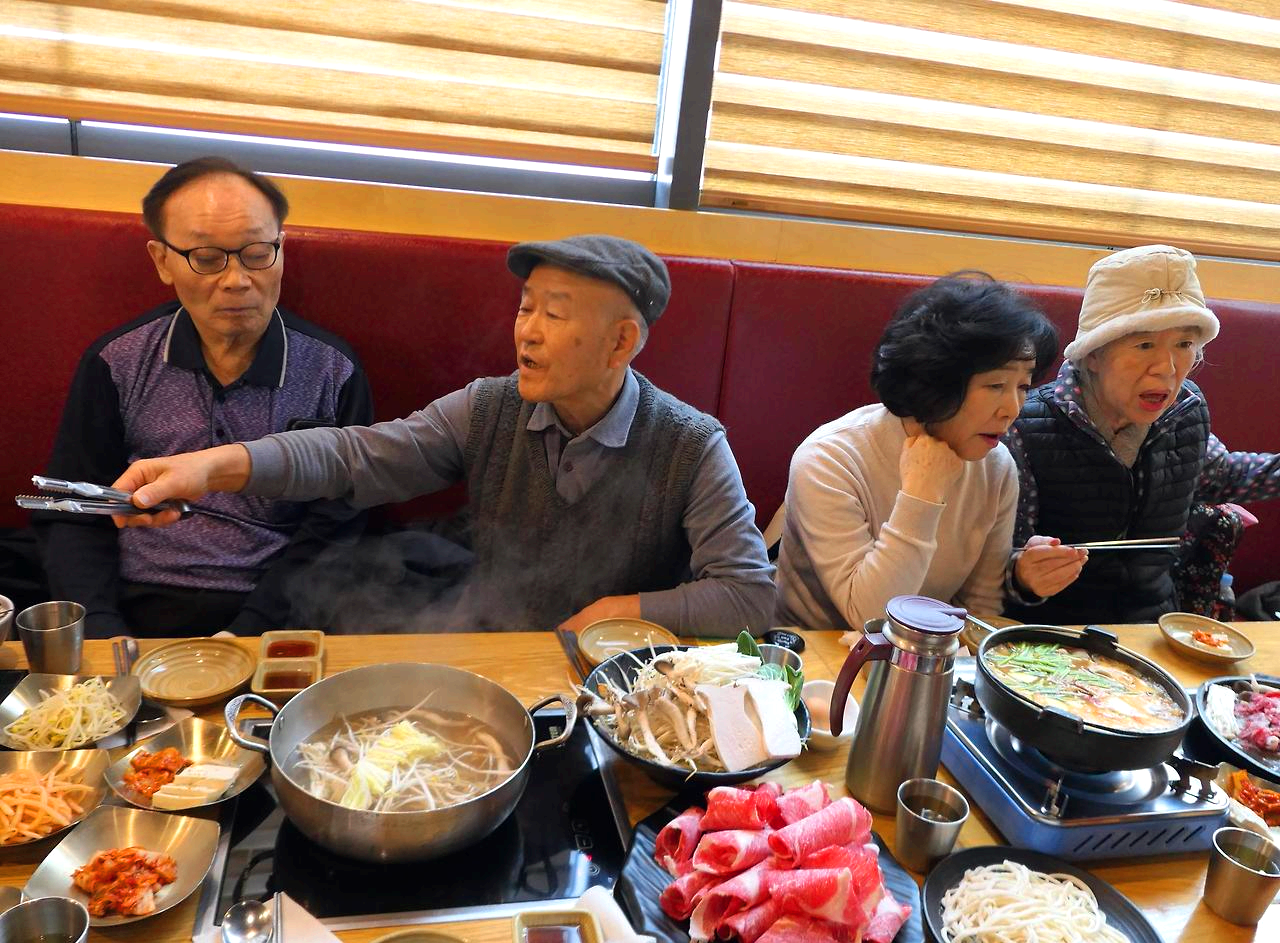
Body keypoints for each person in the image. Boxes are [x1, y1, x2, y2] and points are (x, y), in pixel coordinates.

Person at [108, 235, 776, 637]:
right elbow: (356, 455)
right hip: (489, 645)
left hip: (616, 685)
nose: (527, 331)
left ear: (620, 342)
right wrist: (214, 465)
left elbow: (749, 595)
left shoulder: (691, 445)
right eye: (525, 308)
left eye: (555, 314)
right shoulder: (489, 408)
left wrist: (617, 611)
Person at [36, 156, 373, 639]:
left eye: (257, 252)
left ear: (282, 248)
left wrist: (254, 632)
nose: (236, 280)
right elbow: (75, 510)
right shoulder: (117, 361)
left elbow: (336, 525)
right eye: (208, 258)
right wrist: (105, 633)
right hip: (137, 599)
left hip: (278, 609)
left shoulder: (333, 370)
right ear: (162, 261)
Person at [775, 272, 1085, 630]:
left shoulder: (996, 466)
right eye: (996, 385)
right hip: (814, 648)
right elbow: (871, 617)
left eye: (1023, 386)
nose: (1012, 409)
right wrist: (922, 495)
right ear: (935, 382)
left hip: (928, 650)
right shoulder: (829, 459)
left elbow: (980, 609)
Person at [1005, 244, 1280, 624]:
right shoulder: (1026, 428)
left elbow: (1223, 474)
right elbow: (995, 563)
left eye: (1184, 344)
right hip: (1052, 634)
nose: (1166, 368)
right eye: (1145, 344)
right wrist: (1022, 574)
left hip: (1156, 626)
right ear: (1094, 354)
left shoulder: (1184, 412)